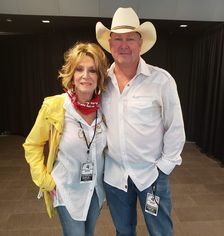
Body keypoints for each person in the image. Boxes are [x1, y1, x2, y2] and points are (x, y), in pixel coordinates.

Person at [95, 7, 185, 236]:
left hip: (151, 175)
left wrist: (163, 169)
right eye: (118, 39)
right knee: (123, 232)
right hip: (115, 176)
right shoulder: (101, 81)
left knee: (161, 231)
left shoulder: (161, 80)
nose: (123, 45)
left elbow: (175, 128)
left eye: (130, 39)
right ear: (110, 43)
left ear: (140, 42)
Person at [23, 42, 109, 236]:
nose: (85, 76)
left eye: (92, 70)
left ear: (99, 76)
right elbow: (32, 144)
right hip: (66, 189)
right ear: (71, 74)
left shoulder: (104, 107)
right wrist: (45, 181)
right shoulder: (55, 106)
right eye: (79, 69)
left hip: (95, 190)